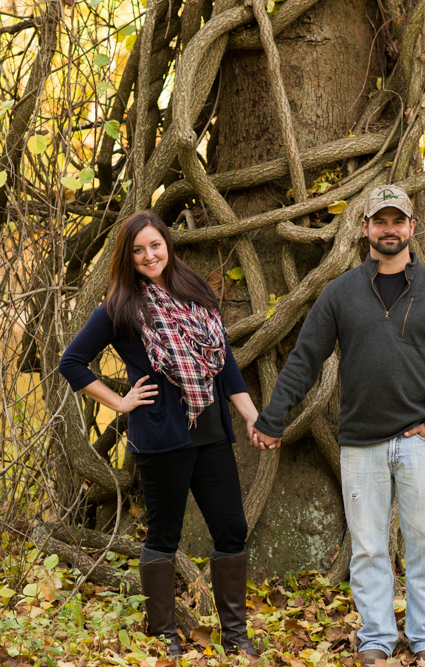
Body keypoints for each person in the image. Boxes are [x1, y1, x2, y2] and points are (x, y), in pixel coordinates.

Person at [251, 185, 425, 663]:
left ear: (412, 227)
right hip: (361, 446)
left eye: (398, 221)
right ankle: (376, 640)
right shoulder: (341, 293)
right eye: (380, 221)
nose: (389, 230)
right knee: (370, 550)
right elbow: (304, 359)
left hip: (421, 441)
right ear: (364, 228)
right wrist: (273, 417)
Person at [58, 210, 260, 657]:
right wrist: (121, 402)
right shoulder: (120, 307)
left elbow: (223, 363)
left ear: (167, 244)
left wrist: (249, 415)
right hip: (160, 436)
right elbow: (71, 362)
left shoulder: (197, 291)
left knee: (231, 528)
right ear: (127, 258)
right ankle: (164, 635)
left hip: (210, 430)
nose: (149, 255)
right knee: (163, 536)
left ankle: (235, 635)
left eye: (155, 245)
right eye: (138, 250)